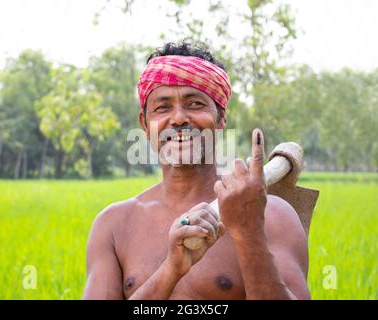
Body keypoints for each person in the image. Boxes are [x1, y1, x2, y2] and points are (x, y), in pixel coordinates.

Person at [82, 40, 310, 300]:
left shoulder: (273, 216)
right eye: (162, 107)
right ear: (145, 123)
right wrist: (171, 270)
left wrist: (249, 233)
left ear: (221, 118)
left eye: (195, 104)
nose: (178, 118)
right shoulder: (113, 225)